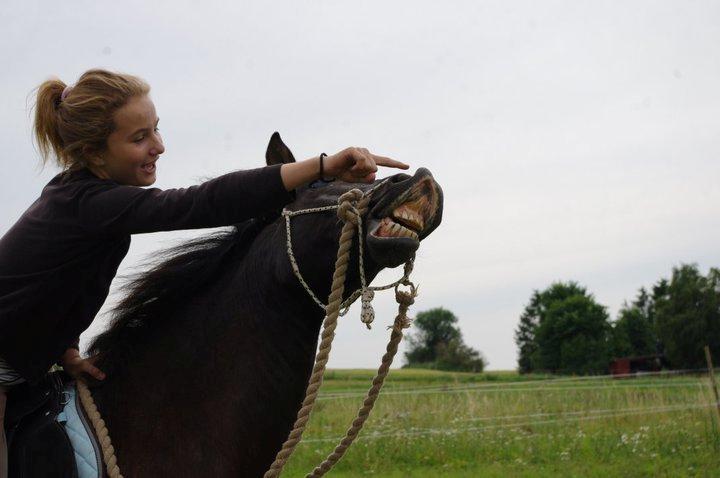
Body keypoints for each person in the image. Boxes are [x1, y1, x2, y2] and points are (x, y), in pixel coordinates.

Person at [0, 68, 409, 477]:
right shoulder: (88, 204)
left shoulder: (87, 202)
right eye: (138, 138)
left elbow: (48, 284)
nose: (158, 146)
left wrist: (66, 348)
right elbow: (200, 202)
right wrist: (318, 167)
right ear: (93, 153)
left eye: (155, 129)